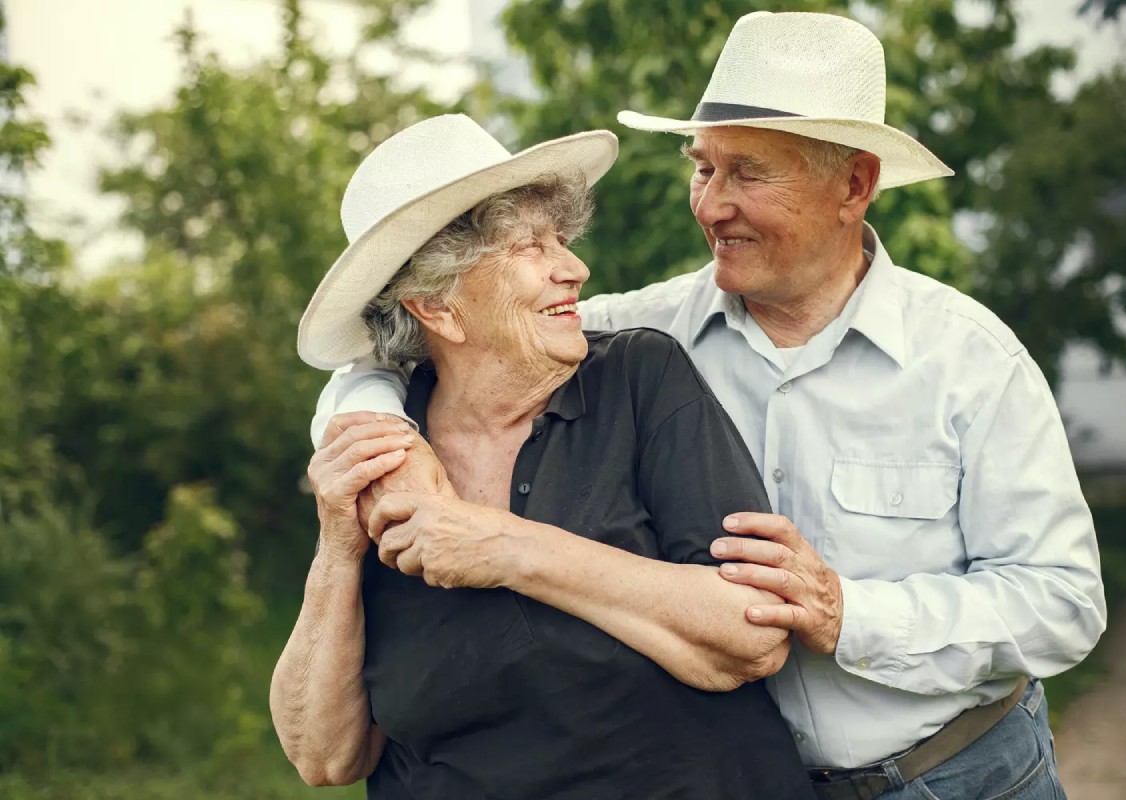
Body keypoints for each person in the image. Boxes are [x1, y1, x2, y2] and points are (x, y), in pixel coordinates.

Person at [313, 12, 1108, 800]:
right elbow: (428, 339)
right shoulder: (640, 334)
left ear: (855, 184)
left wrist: (847, 614)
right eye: (703, 168)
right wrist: (385, 437)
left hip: (961, 776)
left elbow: (1063, 602)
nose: (711, 205)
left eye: (749, 173)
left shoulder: (968, 359)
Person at [270, 113, 816, 800]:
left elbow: (753, 634)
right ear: (437, 305)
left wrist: (507, 549)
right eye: (530, 248)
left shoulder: (636, 380)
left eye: (561, 239)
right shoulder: (382, 454)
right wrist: (337, 548)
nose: (574, 268)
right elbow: (325, 758)